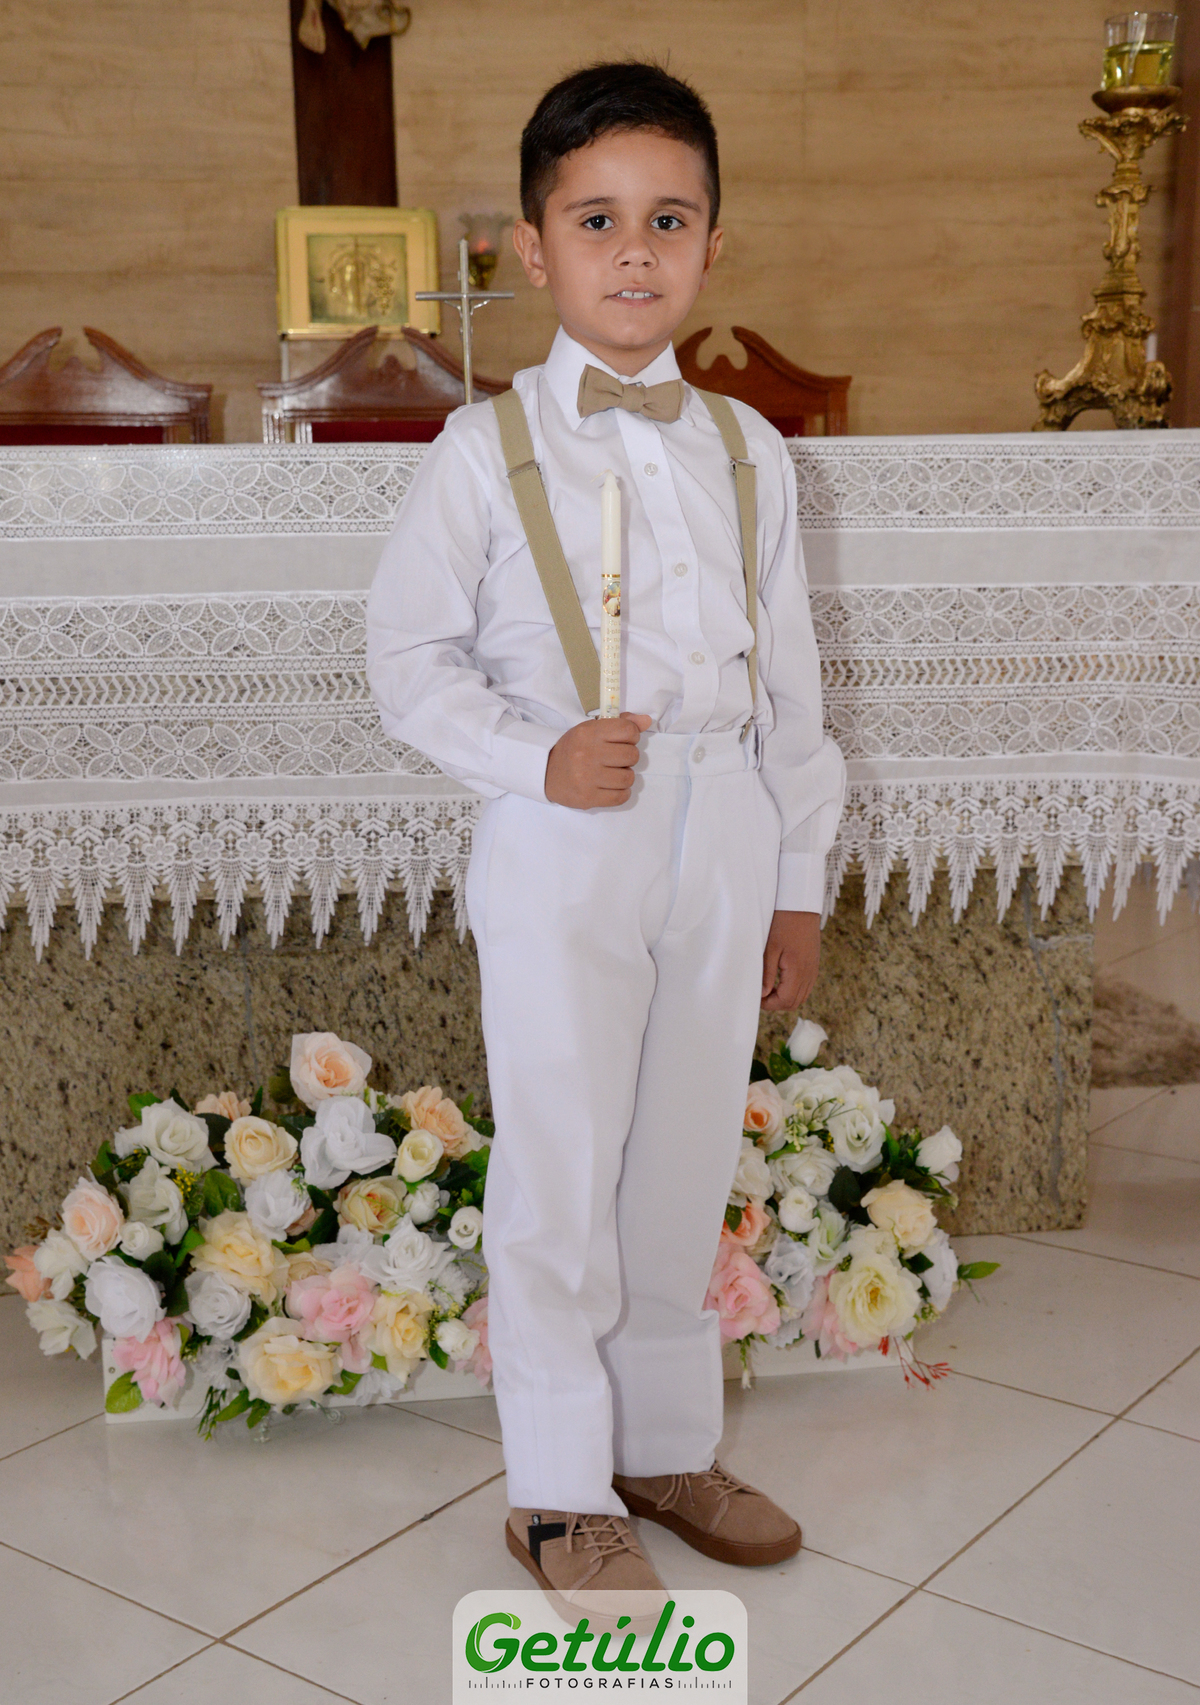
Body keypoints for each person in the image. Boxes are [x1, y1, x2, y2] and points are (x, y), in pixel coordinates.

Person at [366, 60, 846, 1612]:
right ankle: (562, 1487)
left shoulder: (750, 450)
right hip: (565, 835)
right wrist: (535, 754)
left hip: (723, 822)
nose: (634, 252)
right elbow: (406, 663)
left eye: (667, 220)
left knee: (684, 1155)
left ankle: (664, 1447)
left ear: (713, 244)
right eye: (596, 221)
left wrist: (794, 881)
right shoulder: (480, 450)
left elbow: (792, 688)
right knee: (564, 1160)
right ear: (533, 247)